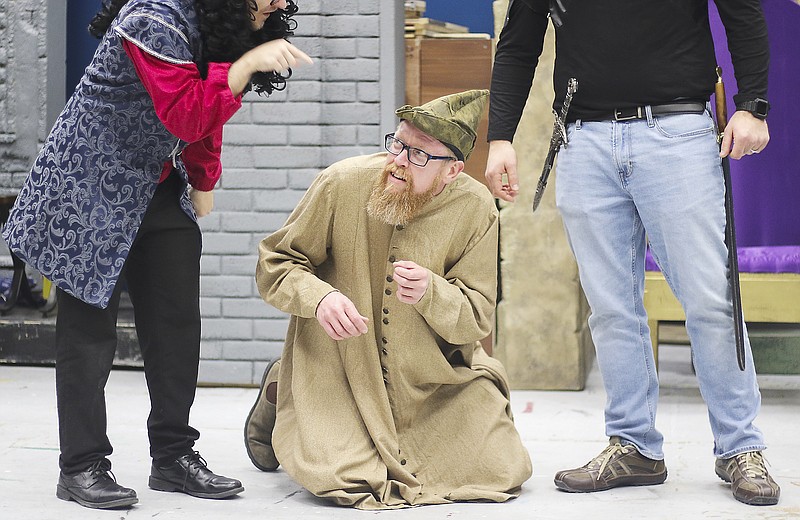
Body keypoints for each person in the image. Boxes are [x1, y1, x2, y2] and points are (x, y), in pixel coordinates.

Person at [1, 0, 312, 510]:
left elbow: (207, 116)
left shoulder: (214, 29)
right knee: (88, 336)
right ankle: (81, 465)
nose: (278, 2)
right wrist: (245, 65)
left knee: (176, 326)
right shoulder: (152, 20)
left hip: (154, 185)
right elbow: (188, 111)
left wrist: (203, 179)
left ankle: (173, 458)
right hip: (88, 187)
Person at [485, 0, 779, 507]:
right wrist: (500, 137)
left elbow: (743, 13)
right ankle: (633, 445)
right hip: (582, 140)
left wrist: (752, 104)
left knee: (710, 301)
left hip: (677, 132)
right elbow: (518, 42)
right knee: (612, 307)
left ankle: (741, 447)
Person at [244, 90, 532, 510]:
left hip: (431, 381)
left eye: (418, 155)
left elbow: (477, 317)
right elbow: (275, 263)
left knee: (500, 469)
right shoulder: (342, 181)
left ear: (452, 171)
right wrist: (320, 297)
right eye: (398, 144)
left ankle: (285, 386)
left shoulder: (475, 209)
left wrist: (433, 293)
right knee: (343, 479)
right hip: (340, 365)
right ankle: (286, 385)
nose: (398, 160)